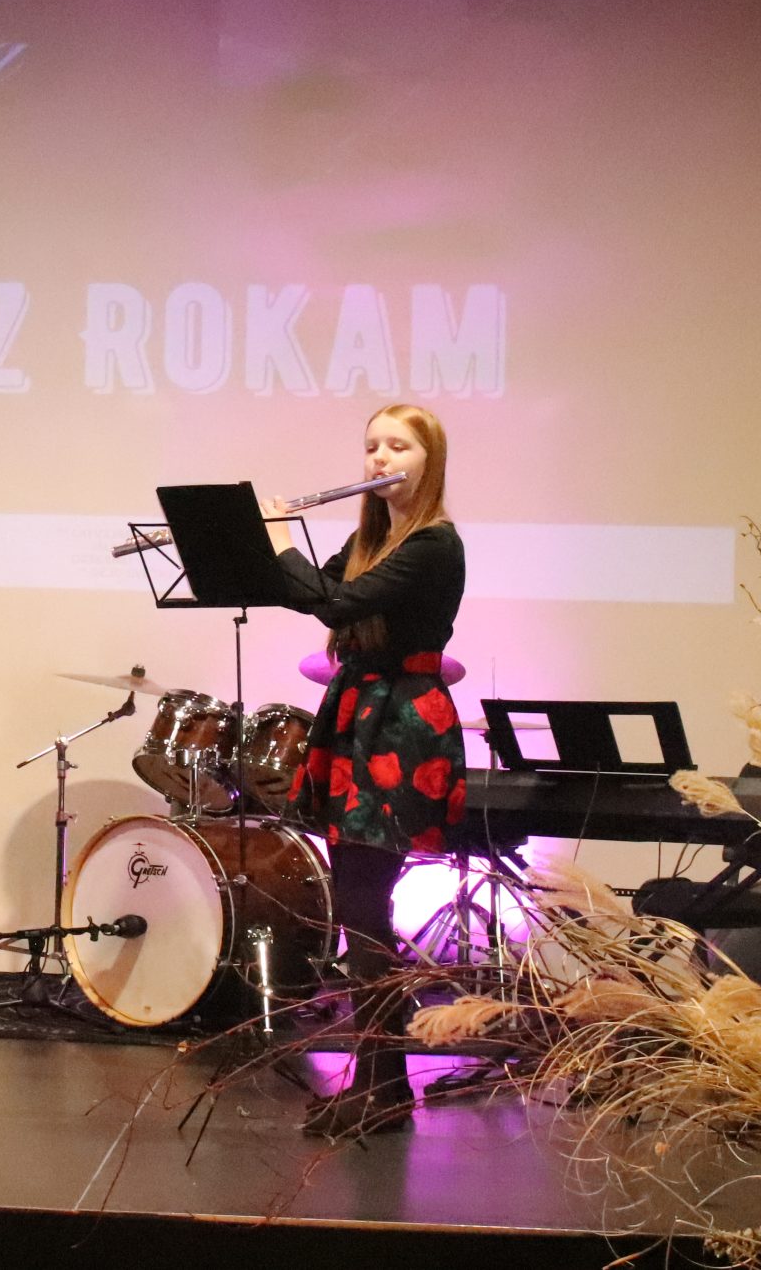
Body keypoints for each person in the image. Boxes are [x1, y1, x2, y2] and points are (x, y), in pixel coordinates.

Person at [268, 403, 465, 1138]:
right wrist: (257, 546)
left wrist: (281, 538)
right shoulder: (369, 539)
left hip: (401, 725)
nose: (380, 458)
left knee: (364, 909)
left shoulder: (435, 544)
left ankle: (386, 1091)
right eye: (372, 446)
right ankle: (383, 1089)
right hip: (359, 714)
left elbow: (337, 603)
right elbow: (309, 595)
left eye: (398, 446)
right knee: (361, 911)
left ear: (428, 460)